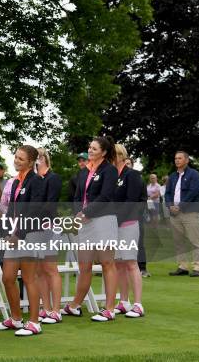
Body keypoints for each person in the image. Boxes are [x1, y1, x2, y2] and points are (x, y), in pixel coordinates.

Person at [62, 136, 119, 322]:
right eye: (90, 148)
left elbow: (106, 196)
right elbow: (77, 196)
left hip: (103, 220)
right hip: (85, 222)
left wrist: (86, 213)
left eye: (94, 149)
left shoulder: (109, 170)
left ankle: (109, 309)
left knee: (106, 263)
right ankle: (75, 306)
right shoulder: (84, 171)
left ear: (103, 152)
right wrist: (79, 214)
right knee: (84, 266)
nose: (90, 151)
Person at [0, 145, 45, 336]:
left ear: (31, 162)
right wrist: (7, 232)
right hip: (14, 235)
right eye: (15, 157)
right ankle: (16, 319)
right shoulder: (15, 183)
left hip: (29, 235)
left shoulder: (36, 181)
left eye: (21, 159)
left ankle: (34, 322)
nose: (16, 161)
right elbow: (10, 211)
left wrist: (19, 234)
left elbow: (34, 210)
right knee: (7, 277)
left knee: (29, 278)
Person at [112, 144, 146, 318]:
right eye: (112, 154)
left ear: (123, 156)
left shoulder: (132, 175)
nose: (115, 157)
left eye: (118, 154)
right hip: (112, 225)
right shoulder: (109, 176)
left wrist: (115, 219)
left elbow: (131, 200)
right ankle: (124, 301)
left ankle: (138, 304)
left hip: (128, 224)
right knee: (118, 264)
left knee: (131, 263)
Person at [35, 148, 63, 325]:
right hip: (33, 228)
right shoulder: (32, 179)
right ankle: (45, 308)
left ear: (45, 158)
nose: (36, 160)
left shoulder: (53, 178)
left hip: (49, 226)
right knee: (38, 270)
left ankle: (56, 310)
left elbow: (50, 204)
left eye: (39, 156)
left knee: (50, 268)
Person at [165, 151, 199, 277]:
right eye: (175, 158)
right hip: (175, 214)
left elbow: (193, 192)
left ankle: (197, 267)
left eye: (180, 158)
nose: (177, 160)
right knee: (178, 241)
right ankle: (182, 266)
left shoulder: (194, 174)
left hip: (190, 212)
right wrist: (170, 206)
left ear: (187, 160)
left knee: (194, 241)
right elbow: (167, 193)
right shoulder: (172, 176)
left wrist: (179, 206)